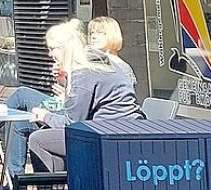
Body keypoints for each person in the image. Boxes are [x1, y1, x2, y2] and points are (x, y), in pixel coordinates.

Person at [24, 17, 144, 173]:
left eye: (53, 48)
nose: (49, 54)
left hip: (109, 137)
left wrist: (45, 116)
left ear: (65, 48)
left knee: (38, 139)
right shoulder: (100, 62)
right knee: (49, 137)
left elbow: (73, 123)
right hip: (127, 130)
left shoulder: (83, 74)